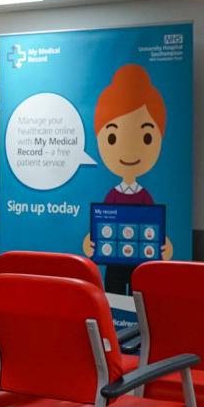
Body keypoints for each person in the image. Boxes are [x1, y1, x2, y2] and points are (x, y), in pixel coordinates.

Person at [82, 64, 173, 292]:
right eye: (112, 137)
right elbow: (100, 230)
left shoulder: (145, 196)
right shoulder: (112, 195)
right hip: (113, 262)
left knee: (137, 296)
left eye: (146, 137)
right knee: (112, 292)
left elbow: (156, 231)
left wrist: (164, 246)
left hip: (139, 264)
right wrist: (91, 243)